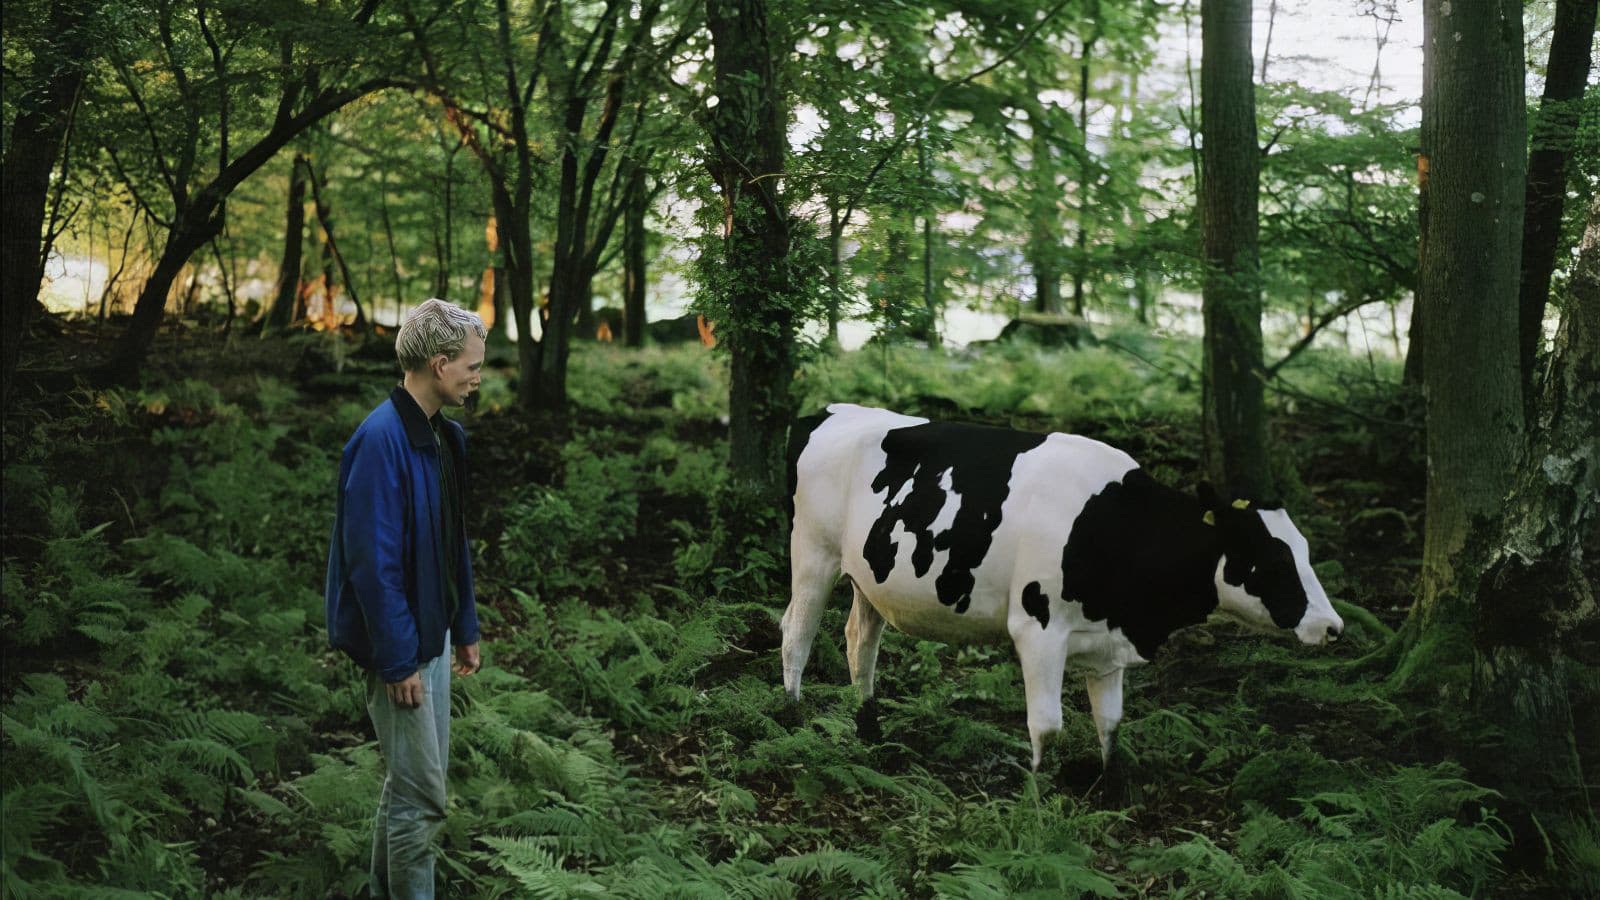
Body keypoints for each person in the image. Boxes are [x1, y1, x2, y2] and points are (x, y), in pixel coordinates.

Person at [324, 298, 487, 899]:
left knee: (408, 786)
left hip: (433, 636)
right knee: (422, 799)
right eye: (472, 366)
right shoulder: (380, 442)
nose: (478, 376)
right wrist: (397, 659)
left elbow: (451, 541)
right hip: (402, 648)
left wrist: (462, 625)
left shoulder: (446, 438)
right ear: (440, 364)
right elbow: (372, 564)